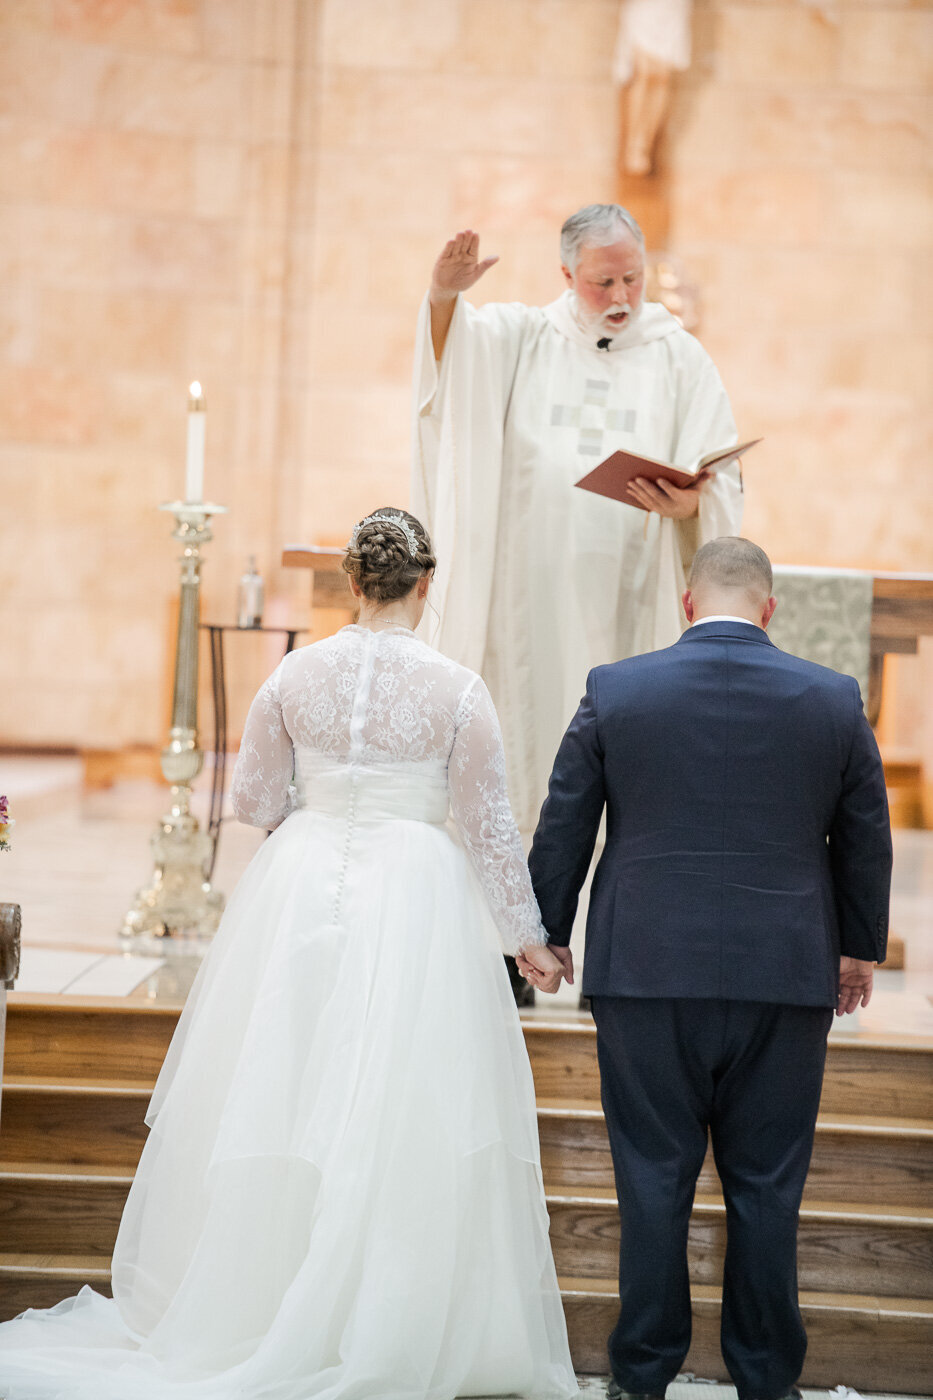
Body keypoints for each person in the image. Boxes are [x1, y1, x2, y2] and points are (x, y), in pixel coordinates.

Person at [0, 509, 578, 1400]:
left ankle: (258, 1304)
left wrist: (325, 806)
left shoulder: (291, 675)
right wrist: (528, 941)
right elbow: (490, 826)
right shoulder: (460, 690)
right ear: (427, 585)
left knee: (283, 1086)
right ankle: (378, 1317)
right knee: (394, 1101)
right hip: (415, 892)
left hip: (300, 884)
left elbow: (255, 799)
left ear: (351, 582)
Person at [520, 536, 892, 1400]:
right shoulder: (832, 699)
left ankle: (640, 1377)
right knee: (767, 1184)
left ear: (687, 604)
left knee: (651, 1177)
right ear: (768, 608)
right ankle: (767, 1382)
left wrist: (545, 932)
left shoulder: (617, 690)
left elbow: (565, 818)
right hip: (785, 973)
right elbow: (864, 834)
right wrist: (856, 949)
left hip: (644, 970)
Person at [411, 203, 744, 834]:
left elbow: (719, 469)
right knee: (533, 745)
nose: (621, 297)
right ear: (566, 275)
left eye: (632, 279)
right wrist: (442, 297)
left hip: (634, 594)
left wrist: (693, 503)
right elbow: (450, 368)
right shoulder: (522, 337)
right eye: (603, 282)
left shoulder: (679, 357)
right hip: (532, 599)